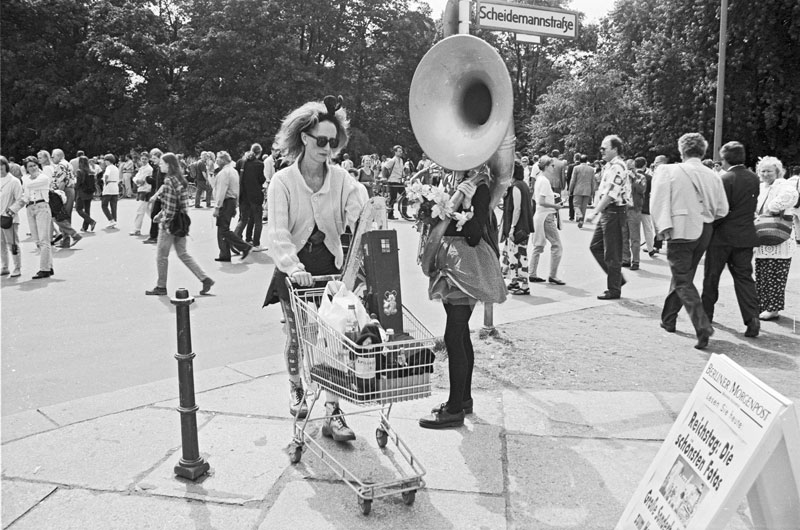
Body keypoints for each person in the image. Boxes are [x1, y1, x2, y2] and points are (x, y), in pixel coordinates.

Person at [264, 95, 366, 442]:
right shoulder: (283, 181)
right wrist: (293, 268)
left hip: (330, 268)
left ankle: (333, 411)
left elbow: (358, 212)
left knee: (333, 340)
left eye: (333, 143)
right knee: (298, 335)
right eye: (321, 141)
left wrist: (363, 210)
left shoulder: (341, 178)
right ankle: (296, 386)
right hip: (295, 271)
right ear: (305, 138)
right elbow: (278, 233)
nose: (327, 149)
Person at [418, 164, 507, 429]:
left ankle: (454, 409)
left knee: (453, 336)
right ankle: (463, 400)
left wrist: (467, 206)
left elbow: (474, 235)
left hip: (467, 268)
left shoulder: (480, 187)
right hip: (451, 265)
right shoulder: (450, 182)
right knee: (460, 335)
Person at [650, 133, 729, 349]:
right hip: (705, 229)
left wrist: (663, 226)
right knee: (684, 275)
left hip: (681, 228)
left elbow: (657, 201)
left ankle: (702, 324)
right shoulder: (713, 174)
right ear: (703, 151)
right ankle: (668, 318)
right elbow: (722, 209)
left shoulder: (668, 170)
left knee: (682, 278)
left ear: (681, 150)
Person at [700, 141, 760, 337]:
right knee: (744, 278)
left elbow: (719, 211)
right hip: (745, 235)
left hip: (721, 237)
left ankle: (706, 316)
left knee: (711, 277)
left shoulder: (724, 179)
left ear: (725, 159)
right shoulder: (753, 178)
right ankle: (752, 317)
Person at [145, 152, 214, 296]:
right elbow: (179, 204)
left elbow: (170, 207)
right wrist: (160, 215)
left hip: (170, 224)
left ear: (168, 165)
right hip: (181, 221)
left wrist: (163, 221)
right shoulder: (180, 179)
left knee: (161, 256)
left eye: (162, 163)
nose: (160, 165)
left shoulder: (169, 181)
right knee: (182, 253)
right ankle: (204, 278)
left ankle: (161, 286)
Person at [753, 156, 798, 321]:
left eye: (769, 171)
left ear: (777, 172)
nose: (765, 174)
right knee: (762, 272)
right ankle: (763, 304)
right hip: (763, 234)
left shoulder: (783, 185)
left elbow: (791, 196)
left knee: (776, 273)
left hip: (779, 235)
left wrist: (771, 208)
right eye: (763, 171)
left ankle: (773, 308)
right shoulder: (761, 186)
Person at [586, 135, 631, 300]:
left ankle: (614, 289)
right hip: (609, 212)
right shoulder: (610, 166)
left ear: (615, 149)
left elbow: (611, 194)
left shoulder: (617, 167)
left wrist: (595, 212)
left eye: (604, 148)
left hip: (614, 212)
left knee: (612, 253)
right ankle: (617, 280)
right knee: (596, 247)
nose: (601, 151)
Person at [11, 157, 54, 278]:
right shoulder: (26, 179)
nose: (33, 168)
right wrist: (13, 209)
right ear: (27, 168)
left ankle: (44, 269)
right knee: (37, 240)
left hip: (42, 207)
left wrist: (24, 177)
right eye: (30, 166)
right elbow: (25, 197)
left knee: (44, 239)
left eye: (35, 165)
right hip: (30, 208)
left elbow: (30, 185)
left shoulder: (43, 177)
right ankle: (49, 266)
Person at [529, 156, 565, 285]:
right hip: (546, 216)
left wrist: (552, 196)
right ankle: (553, 275)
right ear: (546, 166)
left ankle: (532, 273)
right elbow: (542, 201)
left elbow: (539, 199)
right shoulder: (545, 181)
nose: (553, 167)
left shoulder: (540, 179)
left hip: (540, 215)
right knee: (557, 246)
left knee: (538, 246)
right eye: (552, 165)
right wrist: (556, 206)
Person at [213, 151, 252, 261]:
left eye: (218, 158)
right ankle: (224, 254)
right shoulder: (234, 171)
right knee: (222, 229)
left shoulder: (224, 173)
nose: (216, 161)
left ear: (223, 160)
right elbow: (237, 189)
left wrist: (217, 207)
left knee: (223, 229)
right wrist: (236, 204)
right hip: (231, 201)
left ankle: (244, 247)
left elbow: (221, 191)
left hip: (225, 202)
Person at [500, 162, 533, 295]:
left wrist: (512, 227)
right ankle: (514, 281)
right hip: (523, 227)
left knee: (519, 256)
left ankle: (524, 285)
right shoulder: (523, 185)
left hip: (518, 228)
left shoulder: (516, 187)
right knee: (515, 255)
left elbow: (517, 209)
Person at [235, 144, 266, 252]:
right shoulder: (259, 164)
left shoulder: (240, 162)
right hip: (255, 196)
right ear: (259, 153)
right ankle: (256, 244)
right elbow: (261, 179)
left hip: (243, 195)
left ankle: (236, 239)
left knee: (243, 219)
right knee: (258, 221)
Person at [621, 159, 647, 270]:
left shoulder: (641, 177)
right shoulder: (622, 177)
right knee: (623, 236)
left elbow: (642, 190)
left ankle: (636, 261)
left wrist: (634, 178)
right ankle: (625, 259)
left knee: (635, 237)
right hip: (623, 209)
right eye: (627, 168)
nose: (629, 170)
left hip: (634, 210)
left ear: (635, 168)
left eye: (631, 168)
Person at [1, 156, 23, 277]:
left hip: (9, 218)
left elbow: (20, 200)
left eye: (1, 165)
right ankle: (4, 266)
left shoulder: (14, 181)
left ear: (6, 166)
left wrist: (10, 211)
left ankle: (17, 267)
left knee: (12, 243)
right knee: (1, 244)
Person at [143, 149, 165, 244]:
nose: (152, 160)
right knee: (154, 215)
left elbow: (163, 184)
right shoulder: (158, 168)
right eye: (152, 158)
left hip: (162, 196)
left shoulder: (163, 169)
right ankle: (154, 235)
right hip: (159, 195)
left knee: (158, 215)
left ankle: (155, 236)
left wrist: (156, 195)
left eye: (155, 158)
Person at [569, 154, 596, 228]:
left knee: (576, 205)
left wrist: (570, 189)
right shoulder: (591, 169)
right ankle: (581, 221)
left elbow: (573, 180)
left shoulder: (576, 168)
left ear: (580, 160)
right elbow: (593, 181)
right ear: (586, 160)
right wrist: (592, 192)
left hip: (578, 189)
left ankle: (579, 215)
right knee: (584, 207)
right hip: (587, 190)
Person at [130, 153, 152, 236]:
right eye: (142, 159)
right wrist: (136, 180)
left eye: (145, 159)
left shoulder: (149, 169)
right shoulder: (142, 168)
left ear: (148, 159)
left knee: (140, 211)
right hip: (141, 190)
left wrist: (136, 180)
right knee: (148, 211)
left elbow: (141, 181)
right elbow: (135, 178)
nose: (143, 160)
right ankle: (159, 224)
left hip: (146, 190)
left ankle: (137, 229)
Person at [75, 156, 97, 232]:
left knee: (78, 209)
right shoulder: (91, 171)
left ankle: (91, 221)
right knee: (87, 210)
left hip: (82, 192)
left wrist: (75, 187)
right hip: (90, 192)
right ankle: (85, 227)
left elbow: (78, 183)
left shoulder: (79, 171)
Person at [383, 145, 405, 219]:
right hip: (392, 181)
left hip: (399, 181)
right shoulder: (392, 160)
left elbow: (401, 170)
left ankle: (404, 213)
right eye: (399, 151)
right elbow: (385, 168)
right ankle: (390, 215)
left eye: (401, 151)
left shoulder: (401, 160)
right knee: (393, 198)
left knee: (405, 195)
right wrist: (385, 177)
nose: (401, 152)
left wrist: (404, 176)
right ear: (395, 152)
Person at [100, 154, 120, 228]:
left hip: (109, 186)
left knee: (104, 205)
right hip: (115, 187)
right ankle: (114, 220)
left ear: (108, 161)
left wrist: (105, 181)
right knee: (113, 206)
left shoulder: (108, 167)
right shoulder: (116, 168)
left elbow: (106, 175)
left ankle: (111, 219)